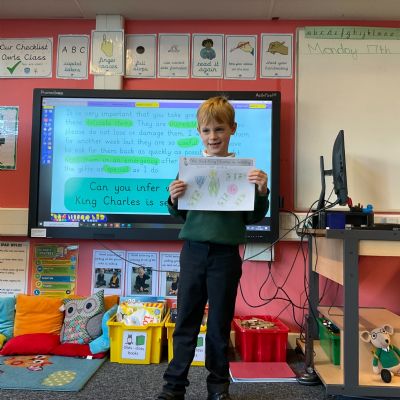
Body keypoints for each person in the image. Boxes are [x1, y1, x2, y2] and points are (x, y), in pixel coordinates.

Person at [156, 96, 269, 400]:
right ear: (199, 132)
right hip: (193, 252)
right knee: (186, 322)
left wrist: (261, 191)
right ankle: (173, 387)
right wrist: (173, 197)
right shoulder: (190, 169)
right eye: (206, 130)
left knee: (219, 325)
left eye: (219, 129)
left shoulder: (244, 172)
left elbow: (253, 217)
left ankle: (218, 388)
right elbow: (181, 214)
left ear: (232, 129)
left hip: (225, 256)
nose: (213, 136)